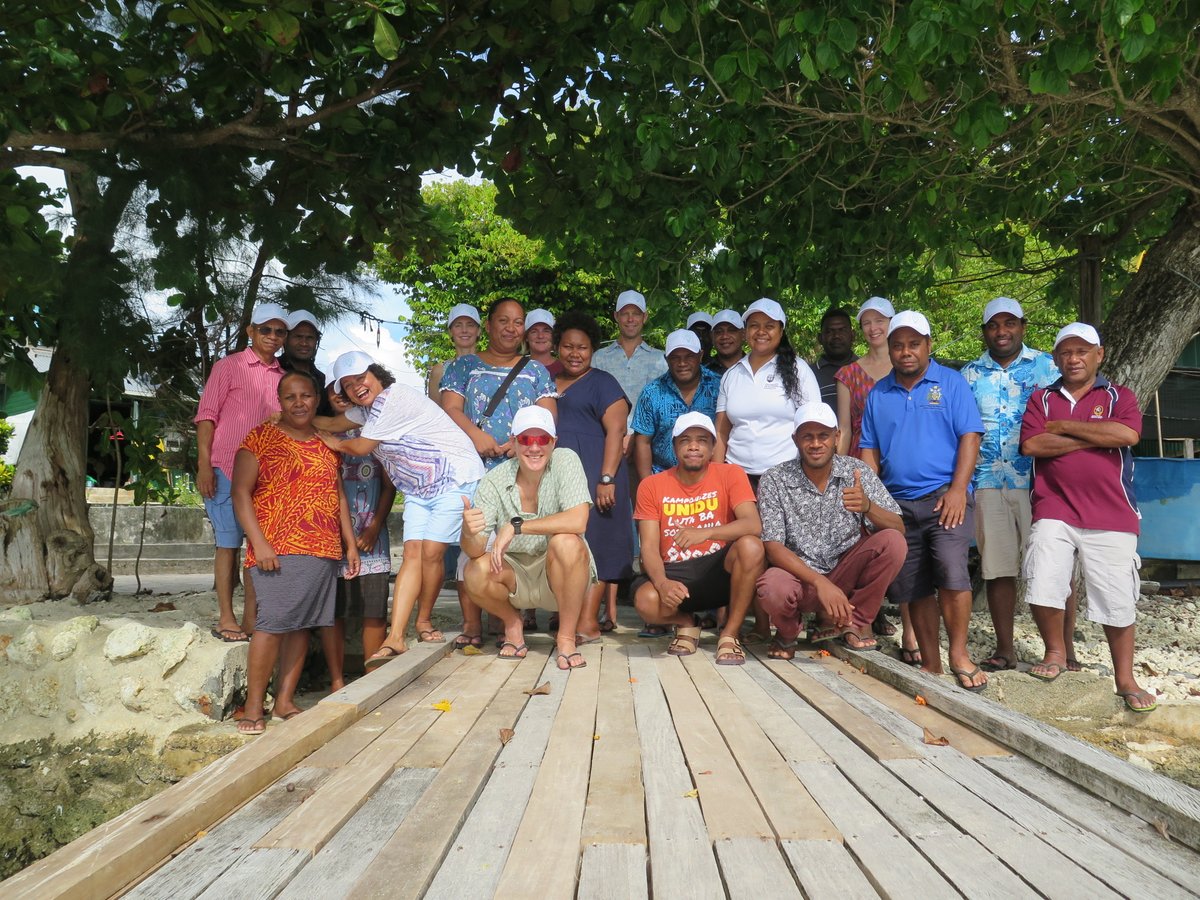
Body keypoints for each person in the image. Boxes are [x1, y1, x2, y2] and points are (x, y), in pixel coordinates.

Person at [316, 351, 485, 663]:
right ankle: (395, 637)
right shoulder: (367, 412)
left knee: (432, 552)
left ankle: (423, 621)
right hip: (419, 487)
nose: (357, 387)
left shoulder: (393, 399)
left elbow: (360, 445)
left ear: (378, 375)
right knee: (411, 554)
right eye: (349, 385)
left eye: (362, 378)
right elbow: (332, 421)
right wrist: (290, 418)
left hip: (454, 478)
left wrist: (335, 443)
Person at [1020, 323, 1155, 712]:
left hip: (1111, 512)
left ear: (1100, 355)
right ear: (1056, 357)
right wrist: (1097, 434)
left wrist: (1064, 428)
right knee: (1044, 572)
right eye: (1065, 352)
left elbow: (1127, 435)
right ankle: (1055, 653)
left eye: (1082, 351)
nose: (1073, 359)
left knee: (1116, 596)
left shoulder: (1119, 396)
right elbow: (1032, 443)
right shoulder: (1042, 399)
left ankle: (1125, 679)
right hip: (1055, 506)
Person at [860, 310, 988, 692]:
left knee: (952, 573)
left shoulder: (951, 383)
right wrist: (876, 500)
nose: (905, 352)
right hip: (898, 504)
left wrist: (957, 490)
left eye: (914, 344)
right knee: (913, 585)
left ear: (928, 345)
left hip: (943, 500)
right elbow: (870, 449)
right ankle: (931, 664)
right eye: (898, 345)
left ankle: (960, 656)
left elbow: (970, 437)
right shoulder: (879, 393)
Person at [231, 371, 360, 734]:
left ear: (316, 398)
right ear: (280, 401)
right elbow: (241, 493)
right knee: (271, 626)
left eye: (305, 395)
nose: (299, 402)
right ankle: (254, 707)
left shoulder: (326, 443)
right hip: (277, 547)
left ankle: (284, 700)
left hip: (322, 548)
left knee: (302, 625)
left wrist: (348, 544)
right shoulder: (261, 438)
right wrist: (259, 543)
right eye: (290, 397)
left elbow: (338, 496)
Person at [440, 297, 557, 634]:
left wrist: (517, 446)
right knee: (473, 545)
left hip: (522, 470)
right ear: (488, 325)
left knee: (515, 545)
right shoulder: (463, 366)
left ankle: (509, 623)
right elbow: (450, 408)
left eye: (518, 322)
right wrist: (477, 436)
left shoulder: (535, 370)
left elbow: (549, 417)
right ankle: (472, 625)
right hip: (473, 469)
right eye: (503, 320)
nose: (511, 328)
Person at [756, 403, 906, 660]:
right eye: (807, 436)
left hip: (845, 574)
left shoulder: (856, 472)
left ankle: (852, 621)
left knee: (892, 543)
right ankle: (789, 631)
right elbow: (773, 546)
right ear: (796, 439)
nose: (816, 444)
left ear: (837, 438)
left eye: (823, 435)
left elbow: (899, 528)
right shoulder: (775, 478)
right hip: (800, 579)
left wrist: (868, 507)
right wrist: (820, 582)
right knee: (771, 588)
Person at [961, 297, 1061, 673]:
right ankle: (1006, 649)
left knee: (1050, 567)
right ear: (985, 331)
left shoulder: (1048, 368)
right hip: (987, 482)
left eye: (1009, 324)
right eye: (993, 325)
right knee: (998, 569)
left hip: (1041, 482)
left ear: (1022, 326)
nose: (1001, 332)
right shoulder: (970, 375)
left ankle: (1061, 652)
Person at [460, 406, 594, 670]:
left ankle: (566, 637)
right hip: (514, 575)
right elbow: (475, 549)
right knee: (473, 570)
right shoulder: (493, 480)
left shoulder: (566, 460)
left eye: (542, 439)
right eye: (526, 439)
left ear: (554, 442)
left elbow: (578, 520)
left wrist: (517, 526)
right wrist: (468, 531)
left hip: (559, 574)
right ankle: (512, 624)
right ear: (513, 442)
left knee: (566, 542)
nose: (534, 447)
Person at [633, 412, 765, 664]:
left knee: (751, 545)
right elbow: (648, 547)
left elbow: (753, 523)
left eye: (702, 440)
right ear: (674, 447)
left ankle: (729, 634)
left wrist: (706, 533)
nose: (694, 446)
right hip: (676, 573)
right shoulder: (651, 485)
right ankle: (687, 624)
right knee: (645, 600)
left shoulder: (731, 474)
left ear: (713, 446)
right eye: (685, 440)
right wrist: (661, 583)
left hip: (719, 570)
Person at [194, 302, 287, 644]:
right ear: (251, 331)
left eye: (279, 331)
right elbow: (207, 417)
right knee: (228, 544)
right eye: (266, 330)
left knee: (257, 547)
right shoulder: (228, 367)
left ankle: (251, 619)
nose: (273, 337)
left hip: (266, 477)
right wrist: (205, 464)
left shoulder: (283, 377)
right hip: (226, 468)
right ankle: (225, 616)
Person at [552, 311, 634, 640]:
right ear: (558, 347)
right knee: (565, 545)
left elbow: (616, 431)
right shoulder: (546, 382)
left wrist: (607, 478)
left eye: (583, 347)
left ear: (592, 351)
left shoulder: (603, 382)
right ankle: (568, 616)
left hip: (597, 475)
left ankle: (587, 620)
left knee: (597, 545)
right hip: (559, 476)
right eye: (569, 346)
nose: (575, 353)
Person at [323, 380, 395, 687]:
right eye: (333, 391)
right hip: (330, 537)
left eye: (346, 390)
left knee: (374, 610)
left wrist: (376, 525)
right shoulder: (321, 436)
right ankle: (337, 681)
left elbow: (390, 482)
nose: (341, 396)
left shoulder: (375, 429)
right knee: (333, 613)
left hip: (371, 535)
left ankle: (371, 679)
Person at [715, 297, 820, 492]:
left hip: (787, 476)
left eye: (769, 326)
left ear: (781, 331)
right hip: (736, 476)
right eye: (754, 325)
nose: (761, 332)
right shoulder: (732, 374)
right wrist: (717, 477)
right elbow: (722, 431)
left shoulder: (799, 370)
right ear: (746, 331)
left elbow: (814, 425)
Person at [632, 329, 722, 478]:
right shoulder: (652, 393)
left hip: (709, 479)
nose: (682, 363)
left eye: (689, 357)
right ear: (666, 359)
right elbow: (643, 443)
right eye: (675, 358)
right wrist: (647, 485)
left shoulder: (719, 386)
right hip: (664, 478)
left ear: (700, 356)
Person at [592, 289, 668, 457]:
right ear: (616, 316)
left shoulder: (661, 360)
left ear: (645, 317)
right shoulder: (599, 358)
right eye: (625, 313)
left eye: (636, 313)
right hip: (604, 447)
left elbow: (664, 408)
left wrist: (636, 436)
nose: (630, 319)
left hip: (648, 449)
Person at [835, 297, 894, 458]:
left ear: (892, 322)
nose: (873, 328)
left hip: (900, 456)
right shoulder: (848, 374)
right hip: (861, 458)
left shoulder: (906, 368)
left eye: (879, 321)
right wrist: (840, 467)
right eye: (866, 323)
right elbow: (845, 429)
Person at [427, 303, 482, 403]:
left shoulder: (491, 367)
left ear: (478, 331)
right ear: (450, 332)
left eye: (470, 325)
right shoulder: (440, 371)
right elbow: (435, 415)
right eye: (458, 325)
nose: (464, 330)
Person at [811, 307, 857, 407]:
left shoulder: (865, 369)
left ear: (853, 335)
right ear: (820, 338)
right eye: (829, 331)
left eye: (842, 330)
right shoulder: (809, 374)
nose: (836, 336)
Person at [707, 308, 746, 374]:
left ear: (743, 334)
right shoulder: (702, 373)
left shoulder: (756, 367)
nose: (725, 336)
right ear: (712, 336)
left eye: (731, 330)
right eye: (719, 331)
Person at [526, 308, 563, 376]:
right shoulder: (514, 367)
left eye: (546, 331)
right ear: (526, 337)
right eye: (534, 331)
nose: (540, 336)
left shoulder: (565, 369)